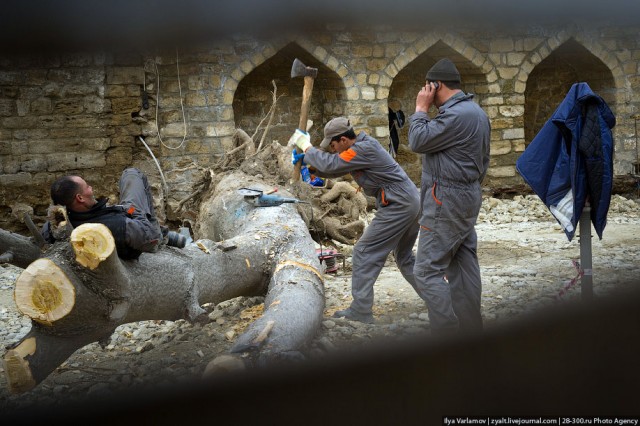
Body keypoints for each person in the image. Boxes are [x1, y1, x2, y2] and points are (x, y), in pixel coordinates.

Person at [289, 117, 421, 324]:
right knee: (404, 257)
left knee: (364, 252)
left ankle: (361, 310)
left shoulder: (362, 149)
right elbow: (336, 167)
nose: (333, 150)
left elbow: (333, 163)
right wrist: (309, 165)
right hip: (410, 201)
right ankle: (439, 295)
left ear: (343, 140)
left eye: (333, 146)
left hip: (399, 205)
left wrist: (306, 147)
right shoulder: (359, 149)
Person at [408, 58, 491, 334]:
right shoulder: (476, 112)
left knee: (426, 271)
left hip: (445, 201)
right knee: (462, 266)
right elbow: (485, 159)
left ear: (436, 85)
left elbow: (417, 140)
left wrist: (421, 108)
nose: (425, 92)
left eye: (427, 88)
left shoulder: (455, 115)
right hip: (467, 198)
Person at [42, 168, 185, 259]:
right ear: (80, 198)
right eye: (87, 187)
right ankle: (164, 235)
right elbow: (149, 240)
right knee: (132, 175)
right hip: (139, 228)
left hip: (118, 218)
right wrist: (132, 213)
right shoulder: (118, 226)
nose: (91, 188)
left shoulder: (54, 227)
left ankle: (162, 231)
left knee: (124, 206)